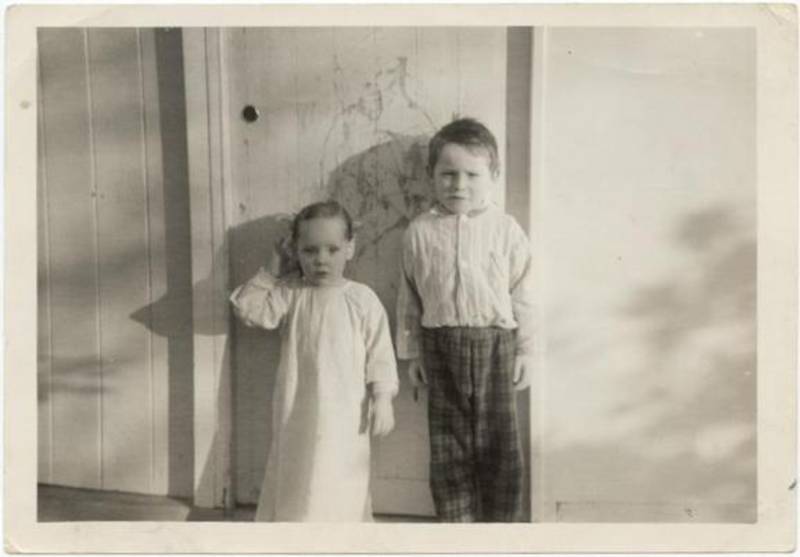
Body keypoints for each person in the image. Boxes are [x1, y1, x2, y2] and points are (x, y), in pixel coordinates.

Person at [396, 118, 535, 522]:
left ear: (492, 177)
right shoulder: (419, 233)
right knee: (448, 446)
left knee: (500, 445)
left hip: (497, 346)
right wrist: (413, 353)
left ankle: (500, 532)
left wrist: (526, 349)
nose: (459, 185)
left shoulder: (506, 231)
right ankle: (457, 532)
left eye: (472, 175)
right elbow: (409, 298)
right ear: (431, 176)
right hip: (440, 346)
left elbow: (524, 292)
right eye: (448, 174)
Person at [231, 200, 398, 522]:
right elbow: (249, 310)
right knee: (298, 469)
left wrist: (383, 397)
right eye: (310, 250)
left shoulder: (361, 299)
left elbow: (380, 353)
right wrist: (273, 267)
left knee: (340, 473)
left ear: (350, 248)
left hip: (346, 412)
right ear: (296, 251)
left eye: (332, 249)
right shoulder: (291, 293)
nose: (321, 259)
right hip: (298, 407)